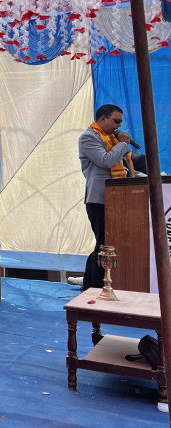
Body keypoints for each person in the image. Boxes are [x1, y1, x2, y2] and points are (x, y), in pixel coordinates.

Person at [78, 104, 138, 289]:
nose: (119, 125)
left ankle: (92, 284)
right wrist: (123, 144)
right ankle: (94, 287)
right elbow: (106, 160)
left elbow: (124, 164)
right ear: (103, 119)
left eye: (121, 122)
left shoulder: (112, 139)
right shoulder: (89, 137)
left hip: (118, 198)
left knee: (107, 244)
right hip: (100, 200)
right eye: (116, 121)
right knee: (104, 244)